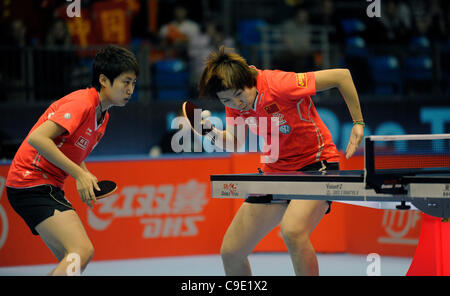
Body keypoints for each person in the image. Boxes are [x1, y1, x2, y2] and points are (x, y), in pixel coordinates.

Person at [197, 46, 364, 276]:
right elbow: (235, 141)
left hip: (316, 164)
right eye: (227, 100)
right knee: (231, 251)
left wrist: (358, 122)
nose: (236, 104)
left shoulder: (280, 84)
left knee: (293, 231)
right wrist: (208, 132)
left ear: (249, 80)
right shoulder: (235, 104)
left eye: (238, 95)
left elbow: (341, 76)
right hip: (276, 172)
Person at [5, 45, 139, 275]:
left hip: (46, 186)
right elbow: (37, 138)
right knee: (81, 251)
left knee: (72, 264)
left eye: (133, 83)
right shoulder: (82, 104)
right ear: (104, 80)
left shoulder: (102, 118)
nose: (130, 89)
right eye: (125, 82)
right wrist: (79, 174)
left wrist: (83, 175)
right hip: (31, 183)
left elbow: (72, 151)